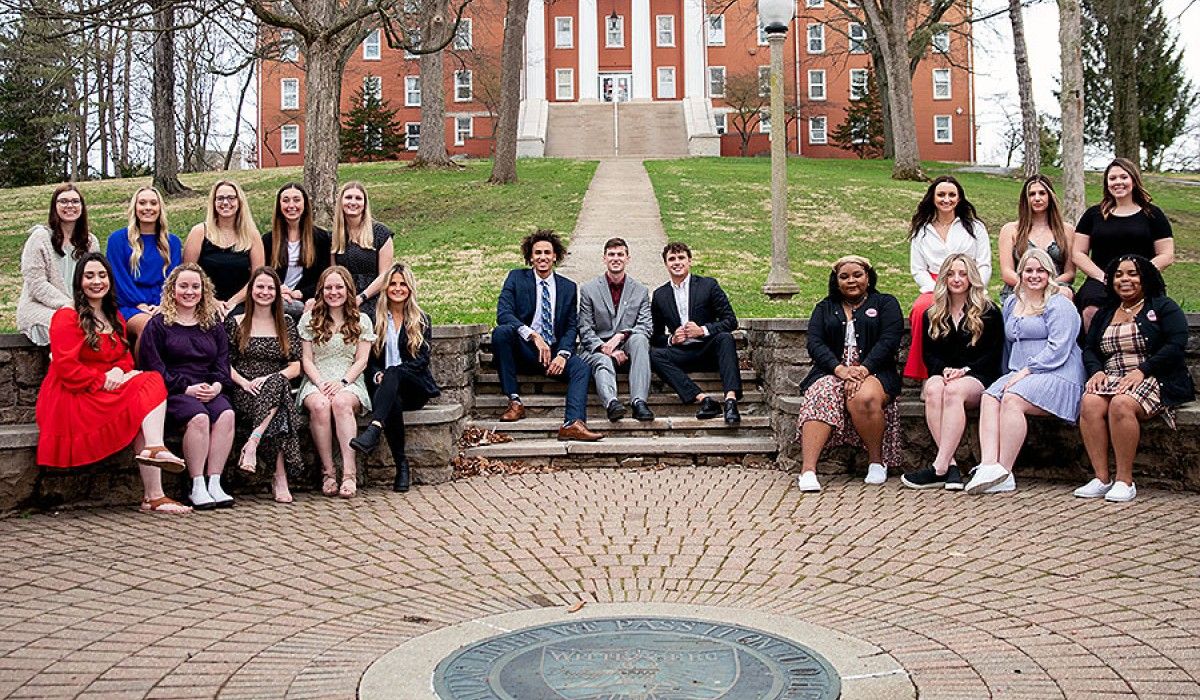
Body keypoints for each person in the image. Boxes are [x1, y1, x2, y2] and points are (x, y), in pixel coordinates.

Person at [36, 252, 190, 514]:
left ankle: (154, 490)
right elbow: (65, 367)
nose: (96, 281)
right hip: (75, 394)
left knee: (149, 383)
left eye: (102, 275)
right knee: (147, 392)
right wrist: (103, 379)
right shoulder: (66, 316)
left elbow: (125, 359)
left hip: (109, 388)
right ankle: (154, 478)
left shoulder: (114, 316)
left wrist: (120, 372)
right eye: (89, 276)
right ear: (79, 281)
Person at [965, 249, 1086, 495]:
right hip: (1021, 372)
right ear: (1020, 274)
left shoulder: (1059, 303)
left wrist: (1027, 371)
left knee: (1011, 399)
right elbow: (1008, 346)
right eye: (1028, 270)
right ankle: (989, 466)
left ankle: (1005, 471)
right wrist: (1009, 375)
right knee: (990, 396)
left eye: (1040, 270)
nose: (1034, 275)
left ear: (1050, 273)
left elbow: (1059, 347)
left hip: (1058, 372)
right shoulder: (1012, 303)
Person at [1075, 255, 1194, 503]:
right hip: (1112, 376)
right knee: (1090, 402)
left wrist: (1142, 370)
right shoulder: (1106, 312)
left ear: (1145, 278)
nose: (1124, 279)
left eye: (1132, 273)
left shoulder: (1163, 307)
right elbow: (1090, 348)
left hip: (1153, 375)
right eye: (1118, 275)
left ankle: (1124, 481)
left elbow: (1176, 344)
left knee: (1121, 403)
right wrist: (1096, 370)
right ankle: (1101, 478)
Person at [793, 256, 904, 492]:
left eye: (857, 275)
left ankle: (876, 461)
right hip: (833, 369)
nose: (851, 281)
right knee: (819, 394)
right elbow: (815, 343)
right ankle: (808, 471)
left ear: (868, 277)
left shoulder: (885, 303)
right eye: (844, 277)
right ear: (836, 280)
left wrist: (863, 370)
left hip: (875, 369)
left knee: (863, 397)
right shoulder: (824, 307)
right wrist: (840, 370)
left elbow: (889, 340)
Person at [138, 263, 237, 510]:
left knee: (226, 414)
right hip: (174, 391)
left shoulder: (212, 324)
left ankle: (214, 481)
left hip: (208, 386)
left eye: (195, 286)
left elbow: (222, 362)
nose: (189, 292)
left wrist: (216, 386)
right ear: (172, 290)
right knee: (199, 418)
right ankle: (195, 485)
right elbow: (154, 367)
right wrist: (186, 389)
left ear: (204, 291)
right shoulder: (159, 324)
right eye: (183, 286)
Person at [901, 254, 1003, 490]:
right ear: (943, 278)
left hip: (978, 375)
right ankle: (951, 466)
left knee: (954, 391)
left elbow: (992, 355)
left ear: (971, 278)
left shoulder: (987, 311)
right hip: (945, 374)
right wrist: (943, 369)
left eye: (963, 273)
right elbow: (929, 354)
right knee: (933, 389)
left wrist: (964, 370)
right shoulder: (934, 312)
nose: (957, 279)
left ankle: (938, 467)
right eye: (951, 274)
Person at [493, 230, 602, 441]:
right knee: (502, 332)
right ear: (530, 257)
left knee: (581, 367)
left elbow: (571, 326)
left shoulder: (567, 287)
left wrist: (562, 354)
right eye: (537, 253)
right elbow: (503, 313)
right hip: (524, 350)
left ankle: (573, 423)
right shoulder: (516, 278)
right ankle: (515, 401)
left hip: (552, 353)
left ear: (555, 256)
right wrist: (533, 335)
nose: (542, 257)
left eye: (547, 253)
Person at [349, 263, 441, 493]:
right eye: (393, 283)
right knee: (393, 402)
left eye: (402, 284)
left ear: (410, 288)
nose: (397, 288)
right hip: (384, 390)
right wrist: (376, 374)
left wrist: (390, 374)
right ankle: (402, 465)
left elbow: (421, 361)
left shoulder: (421, 319)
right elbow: (366, 359)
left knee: (394, 373)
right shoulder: (371, 317)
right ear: (385, 287)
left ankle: (374, 428)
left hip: (414, 387)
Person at [225, 267, 303, 504]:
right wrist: (245, 383)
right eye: (260, 286)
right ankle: (280, 478)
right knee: (280, 410)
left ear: (277, 293)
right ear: (251, 291)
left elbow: (295, 366)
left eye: (270, 287)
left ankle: (253, 443)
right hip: (245, 389)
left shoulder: (286, 323)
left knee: (277, 385)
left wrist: (271, 378)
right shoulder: (235, 323)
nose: (265, 292)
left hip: (276, 385)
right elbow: (225, 364)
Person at [298, 266, 376, 498]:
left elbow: (362, 360)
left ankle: (349, 473)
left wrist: (342, 382)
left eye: (339, 287)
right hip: (317, 378)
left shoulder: (362, 320)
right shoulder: (309, 320)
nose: (334, 292)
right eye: (328, 287)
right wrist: (320, 382)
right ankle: (329, 471)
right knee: (321, 405)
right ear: (321, 291)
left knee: (341, 403)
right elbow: (306, 359)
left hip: (348, 378)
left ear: (348, 289)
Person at [904, 176, 992, 381]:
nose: (946, 199)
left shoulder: (975, 227)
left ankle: (977, 373)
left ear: (959, 198)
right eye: (941, 195)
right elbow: (918, 269)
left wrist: (976, 287)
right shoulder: (922, 230)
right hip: (935, 285)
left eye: (952, 195)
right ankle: (927, 375)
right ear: (932, 198)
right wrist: (937, 290)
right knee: (921, 309)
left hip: (970, 282)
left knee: (987, 312)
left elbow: (984, 263)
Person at [1073, 157, 1174, 332]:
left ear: (1133, 180)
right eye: (1112, 178)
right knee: (1091, 308)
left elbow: (1167, 254)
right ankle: (1096, 354)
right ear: (1106, 183)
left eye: (1123, 177)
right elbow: (1078, 253)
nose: (1118, 182)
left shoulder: (1153, 214)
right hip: (1101, 280)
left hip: (1142, 280)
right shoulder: (1093, 214)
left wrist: (1141, 274)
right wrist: (1103, 277)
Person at [649, 242, 742, 424]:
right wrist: (671, 339)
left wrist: (703, 330)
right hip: (681, 353)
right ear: (666, 264)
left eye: (681, 257)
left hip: (708, 349)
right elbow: (655, 335)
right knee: (653, 354)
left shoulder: (708, 285)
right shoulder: (660, 295)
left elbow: (730, 321)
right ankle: (704, 400)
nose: (677, 262)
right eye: (672, 259)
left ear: (689, 261)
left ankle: (730, 401)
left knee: (725, 338)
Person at [577, 237, 655, 422]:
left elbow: (646, 326)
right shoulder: (589, 290)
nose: (616, 258)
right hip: (597, 348)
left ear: (628, 258)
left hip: (628, 345)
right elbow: (585, 328)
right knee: (602, 359)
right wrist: (606, 348)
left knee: (640, 339)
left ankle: (639, 402)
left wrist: (620, 337)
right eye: (611, 254)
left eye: (620, 254)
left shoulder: (640, 290)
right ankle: (612, 403)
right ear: (604, 258)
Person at [17, 184, 101, 345]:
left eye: (75, 201)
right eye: (63, 201)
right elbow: (36, 284)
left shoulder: (90, 242)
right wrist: (68, 305)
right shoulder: (40, 238)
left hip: (79, 308)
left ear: (82, 207)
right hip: (41, 307)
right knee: (69, 326)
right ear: (54, 206)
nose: (70, 206)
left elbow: (94, 279)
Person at [106, 186, 182, 341]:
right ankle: (146, 366)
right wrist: (139, 304)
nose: (148, 208)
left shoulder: (172, 242)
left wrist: (163, 304)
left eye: (153, 203)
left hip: (163, 304)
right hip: (127, 305)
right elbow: (118, 279)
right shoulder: (118, 240)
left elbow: (173, 279)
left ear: (160, 208)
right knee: (149, 325)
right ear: (135, 207)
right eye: (142, 203)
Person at [184, 180, 265, 318]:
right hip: (202, 303)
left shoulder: (252, 235)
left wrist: (233, 302)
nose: (225, 202)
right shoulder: (199, 232)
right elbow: (187, 275)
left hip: (241, 304)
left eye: (231, 198)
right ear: (213, 202)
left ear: (239, 202)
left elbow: (257, 278)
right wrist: (212, 301)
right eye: (220, 198)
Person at [997, 174, 1076, 301]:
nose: (1037, 198)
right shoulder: (1010, 230)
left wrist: (1047, 285)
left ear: (1050, 196)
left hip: (1056, 288)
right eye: (1032, 194)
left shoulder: (1067, 230)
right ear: (1025, 199)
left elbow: (1070, 273)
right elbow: (1007, 273)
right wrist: (1031, 286)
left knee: (1064, 295)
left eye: (1042, 193)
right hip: (1020, 289)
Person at [262, 182, 331, 319]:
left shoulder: (320, 238)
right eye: (286, 200)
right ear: (279, 206)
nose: (291, 205)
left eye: (297, 200)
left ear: (305, 204)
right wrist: (278, 289)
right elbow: (262, 273)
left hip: (307, 299)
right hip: (274, 297)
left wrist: (303, 294)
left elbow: (324, 276)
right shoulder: (268, 240)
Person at [332, 181, 393, 318]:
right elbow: (332, 273)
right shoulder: (334, 236)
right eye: (348, 197)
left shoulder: (380, 233)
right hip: (342, 298)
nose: (353, 202)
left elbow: (385, 275)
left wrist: (361, 297)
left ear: (365, 204)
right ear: (340, 202)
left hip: (373, 297)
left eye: (358, 198)